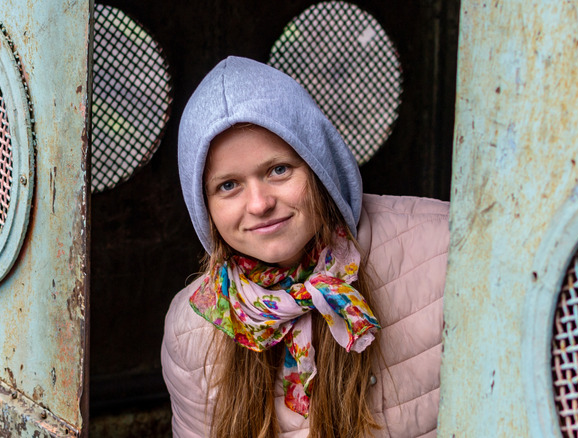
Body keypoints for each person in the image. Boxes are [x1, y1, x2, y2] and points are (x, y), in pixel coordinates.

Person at [162, 56, 449, 438]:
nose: (260, 204)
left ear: (319, 165)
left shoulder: (446, 247)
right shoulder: (192, 328)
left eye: (278, 169)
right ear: (204, 206)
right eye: (228, 185)